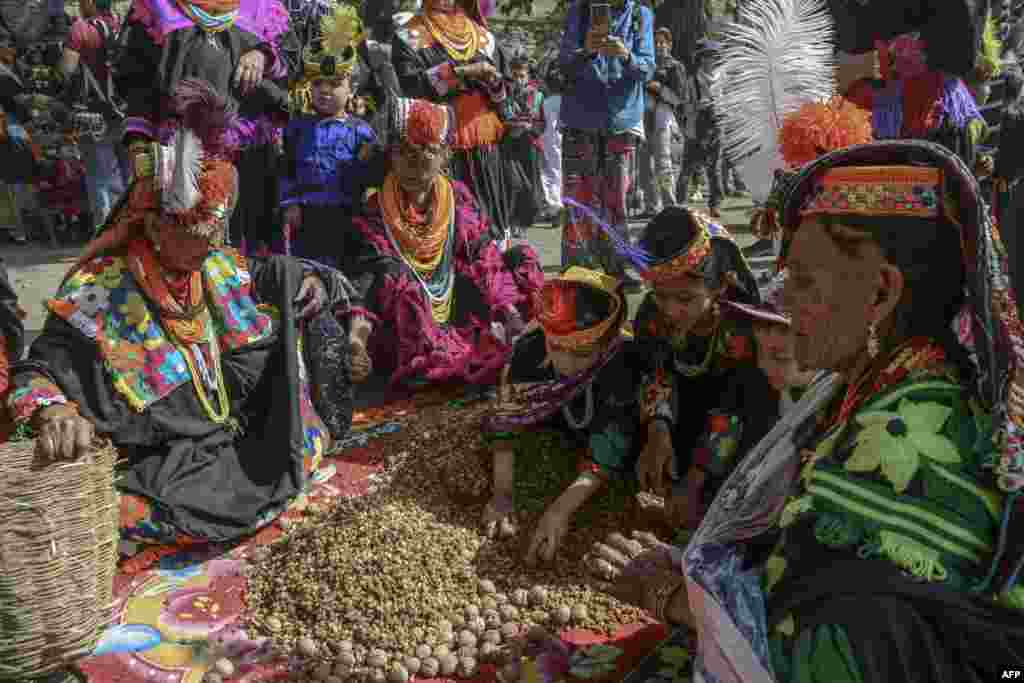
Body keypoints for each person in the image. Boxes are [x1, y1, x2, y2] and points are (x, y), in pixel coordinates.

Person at [586, 140, 1024, 682]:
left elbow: (830, 657)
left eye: (803, 280)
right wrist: (706, 577)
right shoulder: (873, 385)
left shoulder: (905, 434)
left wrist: (675, 598)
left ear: (881, 292)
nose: (782, 298)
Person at [6, 79, 367, 548]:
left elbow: (264, 272)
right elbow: (36, 370)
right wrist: (54, 411)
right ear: (154, 224)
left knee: (303, 346)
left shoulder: (214, 264)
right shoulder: (99, 289)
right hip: (170, 463)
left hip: (242, 438)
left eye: (216, 232)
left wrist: (310, 282)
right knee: (118, 510)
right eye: (197, 235)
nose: (211, 245)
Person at [347, 97, 543, 387]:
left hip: (460, 307)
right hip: (406, 328)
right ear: (391, 156)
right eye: (404, 152)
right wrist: (357, 342)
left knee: (521, 258)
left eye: (427, 151)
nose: (415, 162)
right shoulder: (376, 212)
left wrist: (510, 315)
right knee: (403, 288)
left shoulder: (458, 198)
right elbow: (367, 284)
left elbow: (484, 259)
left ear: (445, 156)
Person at [482, 267, 639, 564]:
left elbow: (610, 444)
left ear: (607, 344)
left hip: (600, 448)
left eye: (581, 354)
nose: (566, 363)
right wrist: (502, 495)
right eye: (556, 347)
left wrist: (559, 511)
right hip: (556, 436)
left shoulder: (622, 363)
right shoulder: (531, 348)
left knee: (617, 485)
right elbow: (506, 422)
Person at [115, 0, 298, 253]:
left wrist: (263, 55)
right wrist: (138, 142)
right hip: (179, 153)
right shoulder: (154, 6)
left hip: (249, 159)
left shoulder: (265, 7)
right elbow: (137, 81)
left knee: (247, 258)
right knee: (184, 249)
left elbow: (295, 65)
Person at [629, 207, 767, 505]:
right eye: (661, 295)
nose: (670, 310)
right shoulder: (652, 314)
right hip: (677, 413)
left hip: (731, 424)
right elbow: (653, 369)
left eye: (686, 299)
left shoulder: (740, 328)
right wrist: (657, 430)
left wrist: (694, 479)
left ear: (719, 286)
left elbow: (737, 405)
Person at [669, 271, 812, 530]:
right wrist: (694, 480)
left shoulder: (834, 405)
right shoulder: (754, 379)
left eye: (780, 358)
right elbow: (726, 423)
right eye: (759, 350)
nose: (764, 365)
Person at [392, 0, 514, 243]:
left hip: (485, 150)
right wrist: (461, 72)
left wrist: (494, 83)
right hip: (437, 150)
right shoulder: (409, 36)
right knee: (447, 225)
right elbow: (410, 88)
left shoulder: (484, 38)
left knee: (489, 225)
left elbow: (506, 94)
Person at [558, 0, 654, 279]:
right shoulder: (579, 10)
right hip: (580, 118)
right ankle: (576, 267)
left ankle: (619, 263)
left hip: (621, 120)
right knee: (578, 198)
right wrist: (586, 51)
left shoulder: (640, 14)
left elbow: (647, 69)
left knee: (618, 198)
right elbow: (564, 63)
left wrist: (626, 55)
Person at [280, 3, 377, 268]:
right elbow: (286, 169)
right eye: (318, 83)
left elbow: (371, 176)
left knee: (344, 271)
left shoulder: (362, 131)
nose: (325, 90)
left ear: (352, 88)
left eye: (335, 84)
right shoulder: (297, 128)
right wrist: (290, 204)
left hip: (347, 215)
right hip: (306, 215)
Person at [61, 0, 128, 235]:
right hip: (124, 112)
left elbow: (67, 70)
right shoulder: (121, 25)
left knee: (100, 176)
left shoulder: (80, 29)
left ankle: (106, 235)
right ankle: (129, 230)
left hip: (93, 115)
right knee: (127, 173)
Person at [640, 27, 688, 217]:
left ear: (669, 44)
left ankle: (670, 205)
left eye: (663, 42)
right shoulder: (646, 65)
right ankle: (652, 206)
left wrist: (659, 88)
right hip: (644, 116)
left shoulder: (675, 66)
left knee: (663, 164)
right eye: (656, 42)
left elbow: (679, 97)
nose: (659, 46)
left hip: (664, 116)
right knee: (645, 166)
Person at [677, 39, 724, 219]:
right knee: (687, 168)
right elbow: (684, 106)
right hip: (695, 130)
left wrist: (717, 106)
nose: (709, 61)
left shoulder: (722, 80)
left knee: (715, 170)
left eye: (712, 57)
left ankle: (715, 205)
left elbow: (729, 105)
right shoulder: (691, 81)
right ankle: (680, 203)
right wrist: (697, 106)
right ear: (701, 59)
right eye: (705, 57)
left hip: (716, 129)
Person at [502, 55, 545, 240]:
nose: (519, 79)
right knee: (512, 184)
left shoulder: (537, 96)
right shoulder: (504, 93)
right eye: (515, 75)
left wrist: (529, 128)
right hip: (510, 145)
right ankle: (510, 220)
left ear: (528, 76)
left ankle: (523, 222)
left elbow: (542, 124)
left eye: (522, 75)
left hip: (530, 147)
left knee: (530, 186)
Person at [539, 60, 564, 222]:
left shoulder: (546, 102)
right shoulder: (564, 100)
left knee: (551, 170)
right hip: (559, 137)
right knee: (559, 169)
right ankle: (558, 204)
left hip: (551, 138)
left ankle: (555, 204)